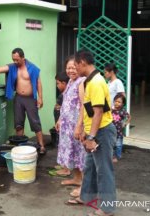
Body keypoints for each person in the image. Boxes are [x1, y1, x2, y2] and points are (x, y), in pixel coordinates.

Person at [0, 48, 46, 154]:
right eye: (13, 59)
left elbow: (38, 83)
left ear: (23, 58)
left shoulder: (32, 68)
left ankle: (41, 146)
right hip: (18, 98)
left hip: (30, 99)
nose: (15, 62)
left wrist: (40, 98)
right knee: (18, 123)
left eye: (17, 59)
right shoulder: (12, 67)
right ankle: (20, 146)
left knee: (35, 122)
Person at [74, 50, 117, 216]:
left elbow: (98, 112)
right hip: (95, 130)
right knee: (90, 166)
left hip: (102, 132)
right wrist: (85, 130)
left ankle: (107, 209)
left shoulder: (96, 82)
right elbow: (90, 111)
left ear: (83, 62)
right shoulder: (89, 81)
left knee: (104, 170)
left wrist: (91, 137)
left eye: (76, 64)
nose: (75, 68)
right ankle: (87, 197)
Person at [55, 57, 86, 199]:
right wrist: (60, 119)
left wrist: (80, 126)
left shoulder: (82, 82)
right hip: (67, 125)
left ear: (79, 67)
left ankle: (85, 187)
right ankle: (77, 179)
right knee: (73, 153)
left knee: (81, 154)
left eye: (73, 67)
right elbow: (66, 103)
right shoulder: (70, 82)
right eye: (68, 68)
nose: (70, 70)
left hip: (77, 126)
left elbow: (84, 105)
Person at [111, 94, 131, 163]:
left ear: (123, 104)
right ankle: (113, 157)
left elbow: (129, 117)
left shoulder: (123, 111)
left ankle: (118, 156)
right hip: (111, 131)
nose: (116, 103)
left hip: (119, 132)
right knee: (112, 145)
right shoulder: (111, 110)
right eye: (115, 101)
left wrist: (125, 123)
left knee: (118, 145)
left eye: (119, 102)